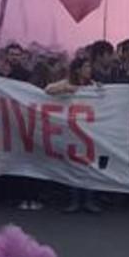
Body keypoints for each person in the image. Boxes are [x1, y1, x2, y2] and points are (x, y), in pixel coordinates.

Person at [46, 57, 103, 214]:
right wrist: (67, 89)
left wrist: (100, 89)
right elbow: (48, 89)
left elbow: (104, 96)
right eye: (86, 67)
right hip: (72, 132)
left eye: (89, 66)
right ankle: (74, 200)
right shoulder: (66, 83)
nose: (89, 70)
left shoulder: (92, 85)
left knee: (89, 167)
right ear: (78, 69)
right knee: (73, 166)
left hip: (90, 132)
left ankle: (89, 200)